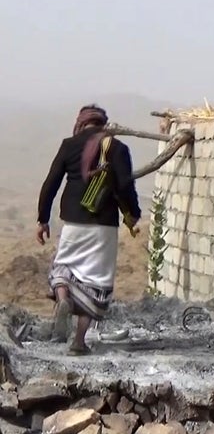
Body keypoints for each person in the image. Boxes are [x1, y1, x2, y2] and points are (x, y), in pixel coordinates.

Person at [36, 104, 141, 355]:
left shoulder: (69, 145)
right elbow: (125, 185)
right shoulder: (117, 148)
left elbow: (51, 182)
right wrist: (133, 213)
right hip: (103, 224)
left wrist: (42, 219)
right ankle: (79, 342)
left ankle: (63, 298)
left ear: (81, 123)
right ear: (103, 123)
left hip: (73, 221)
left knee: (64, 266)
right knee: (96, 282)